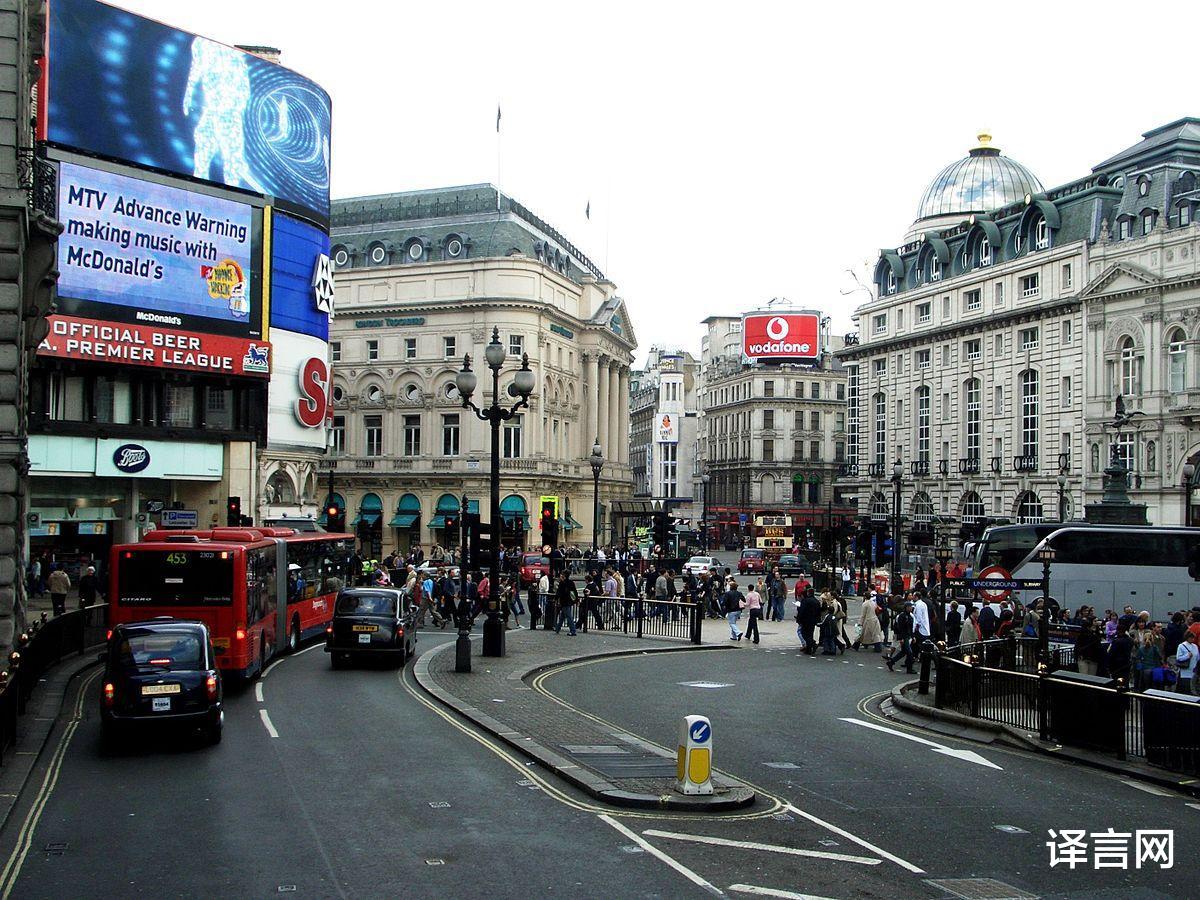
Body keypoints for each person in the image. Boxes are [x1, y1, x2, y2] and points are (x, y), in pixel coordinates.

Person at [887, 601, 916, 673]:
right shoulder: (902, 616)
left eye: (911, 607)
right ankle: (909, 669)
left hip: (908, 636)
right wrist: (901, 638)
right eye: (909, 607)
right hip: (904, 636)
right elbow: (900, 628)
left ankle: (891, 662)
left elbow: (910, 628)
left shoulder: (910, 617)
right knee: (909, 653)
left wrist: (913, 637)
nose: (910, 608)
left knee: (903, 652)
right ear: (905, 608)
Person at [797, 588, 821, 656]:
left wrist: (799, 619)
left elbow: (802, 611)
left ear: (808, 593)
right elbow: (818, 612)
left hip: (806, 620)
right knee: (810, 634)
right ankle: (809, 649)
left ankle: (812, 645)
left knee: (804, 633)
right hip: (813, 621)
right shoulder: (816, 601)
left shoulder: (805, 601)